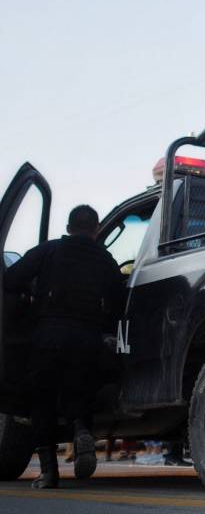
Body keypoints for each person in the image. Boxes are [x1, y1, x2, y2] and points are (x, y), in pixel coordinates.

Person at [3, 205, 125, 489]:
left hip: (48, 335)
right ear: (96, 230)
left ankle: (48, 473)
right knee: (79, 390)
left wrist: (30, 296)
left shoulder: (49, 251)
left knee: (41, 402)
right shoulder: (105, 259)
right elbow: (118, 302)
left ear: (69, 227)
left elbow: (10, 280)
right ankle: (81, 428)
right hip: (86, 336)